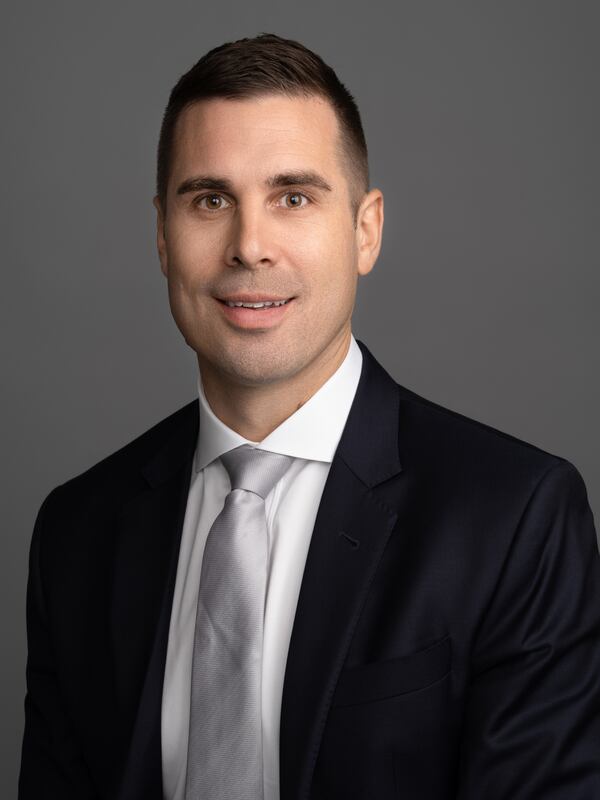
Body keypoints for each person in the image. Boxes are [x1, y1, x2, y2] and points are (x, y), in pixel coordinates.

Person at [18, 33, 600, 800]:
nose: (249, 246)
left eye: (293, 197)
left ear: (366, 230)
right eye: (210, 199)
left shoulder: (515, 517)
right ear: (163, 235)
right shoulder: (78, 531)